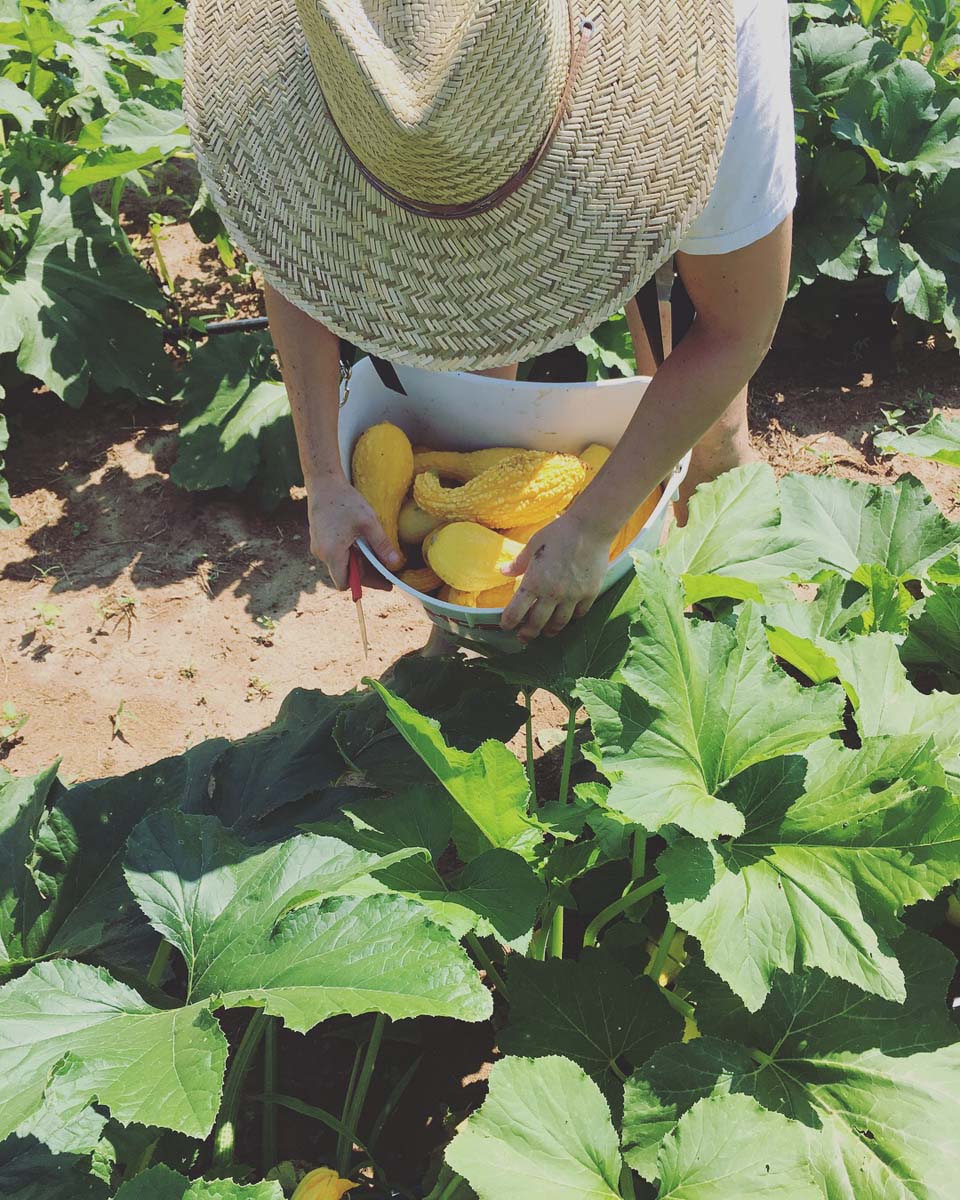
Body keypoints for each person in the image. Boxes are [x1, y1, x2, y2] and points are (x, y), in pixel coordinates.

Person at [184, 0, 795, 643]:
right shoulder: (320, 55)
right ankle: (476, 639)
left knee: (708, 443)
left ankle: (726, 627)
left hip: (646, 73)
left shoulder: (717, 48)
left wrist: (592, 525)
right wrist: (323, 477)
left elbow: (735, 329)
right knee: (474, 400)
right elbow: (293, 258)